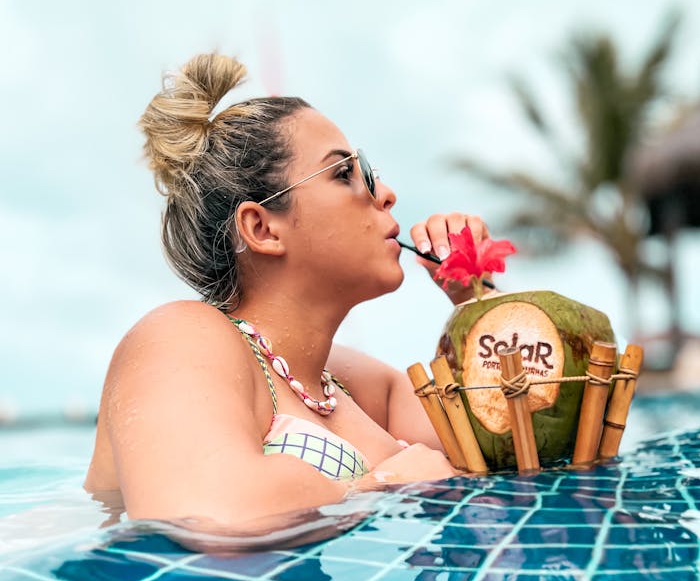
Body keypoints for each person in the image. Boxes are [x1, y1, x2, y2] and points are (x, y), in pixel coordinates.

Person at [85, 53, 497, 534]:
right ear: (262, 228)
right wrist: (383, 484)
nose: (384, 192)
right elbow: (206, 513)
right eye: (345, 173)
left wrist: (474, 300)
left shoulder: (354, 384)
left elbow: (507, 440)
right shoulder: (178, 338)